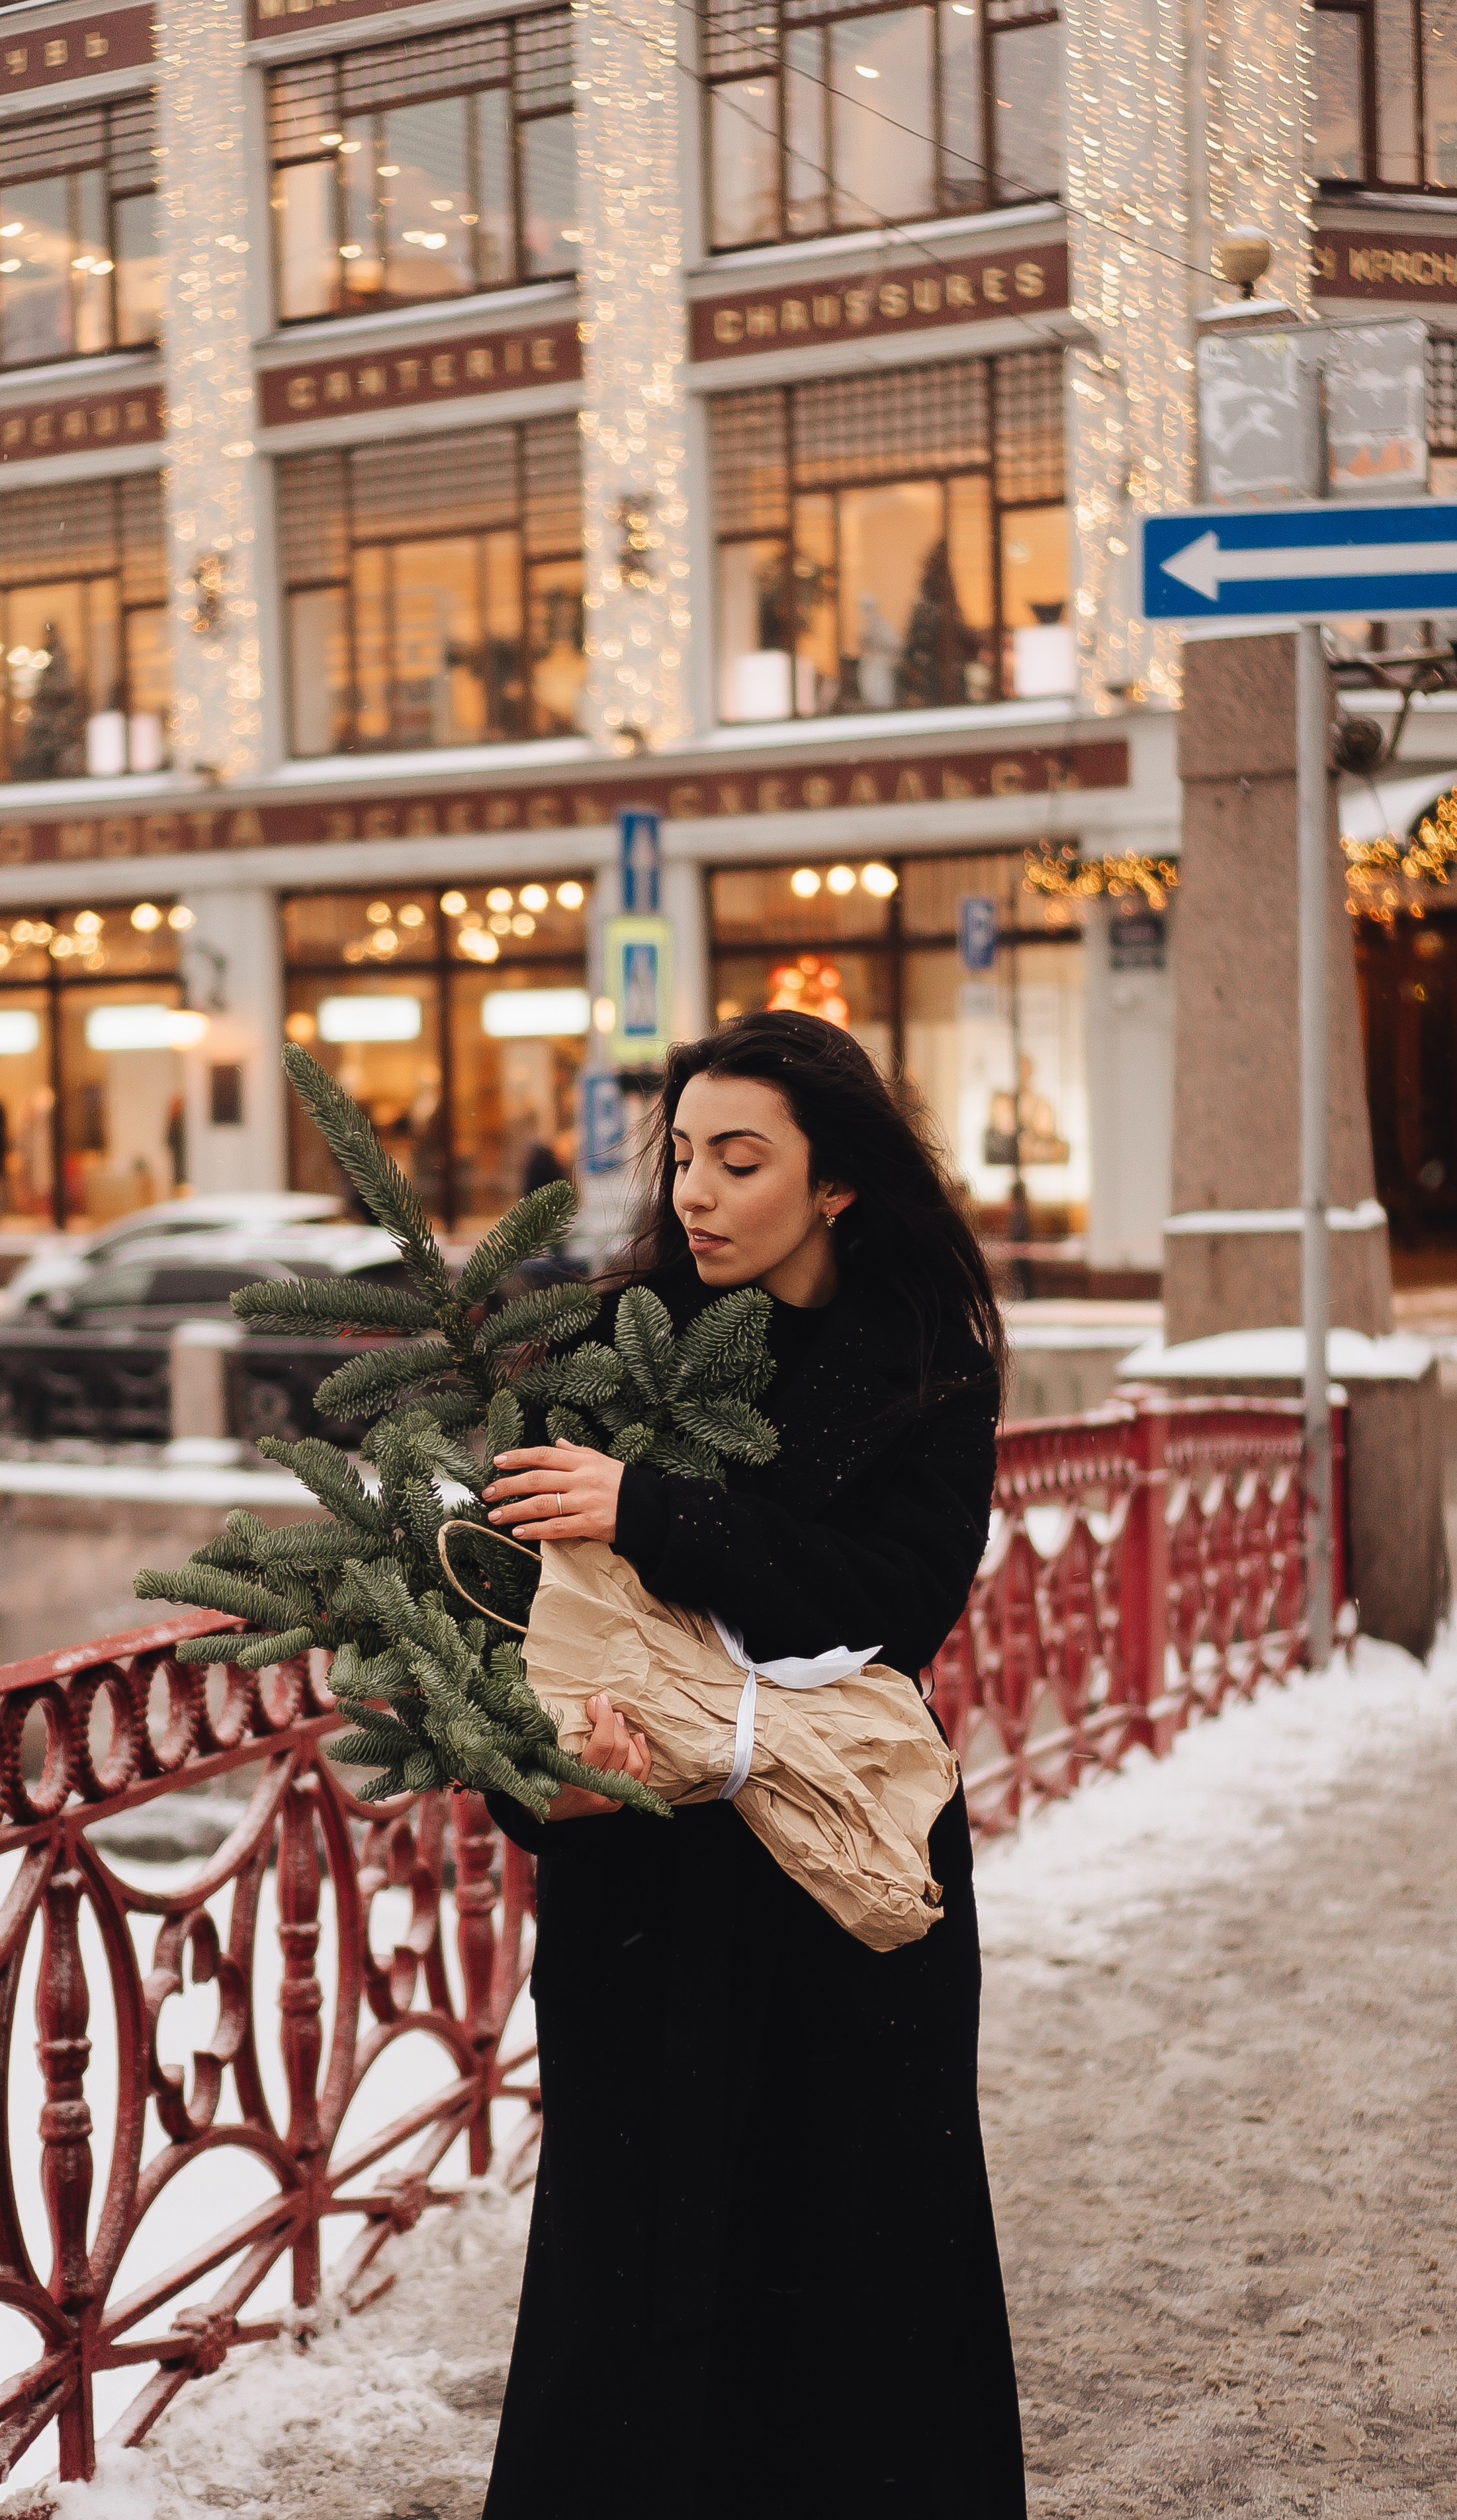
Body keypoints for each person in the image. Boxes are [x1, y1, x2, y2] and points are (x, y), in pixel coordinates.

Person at [477, 1009, 1025, 2520]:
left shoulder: (926, 1364)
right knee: (628, 2273)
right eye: (682, 1159)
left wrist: (651, 1510)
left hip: (840, 1877)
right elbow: (497, 1612)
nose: (697, 1193)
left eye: (739, 1160)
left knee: (862, 2258)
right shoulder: (607, 1350)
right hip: (643, 1884)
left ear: (833, 1181)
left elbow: (892, 1609)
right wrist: (539, 1773)